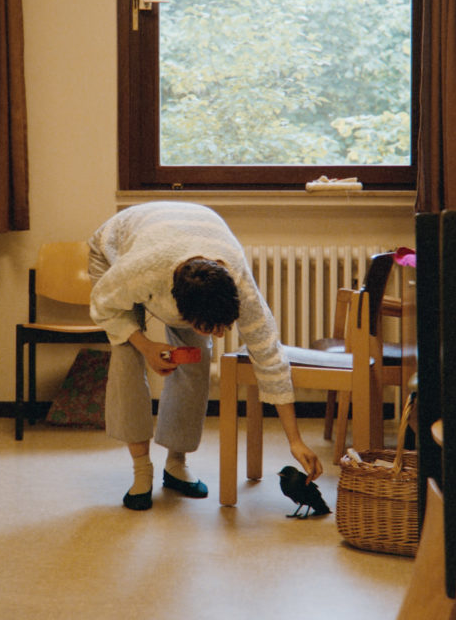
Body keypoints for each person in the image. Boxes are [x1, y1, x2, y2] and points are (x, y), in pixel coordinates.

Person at [88, 201, 323, 510]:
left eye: (224, 326)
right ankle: (141, 470)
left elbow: (268, 355)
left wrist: (294, 440)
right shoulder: (139, 272)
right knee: (126, 359)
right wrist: (146, 347)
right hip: (116, 248)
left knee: (195, 356)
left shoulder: (236, 279)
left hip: (187, 237)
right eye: (209, 326)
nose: (221, 334)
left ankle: (176, 465)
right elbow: (102, 305)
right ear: (180, 311)